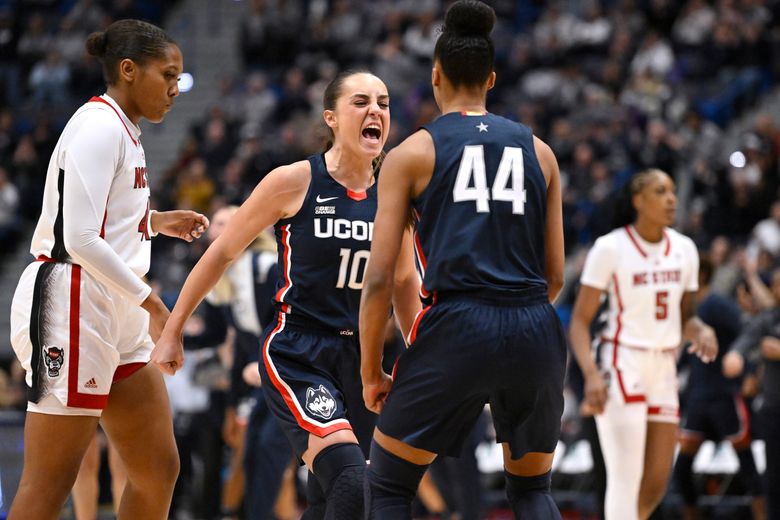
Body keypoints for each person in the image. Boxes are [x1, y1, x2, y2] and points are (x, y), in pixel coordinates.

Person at [152, 70, 421, 519]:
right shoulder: (294, 181)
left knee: (335, 498)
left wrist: (423, 356)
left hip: (366, 358)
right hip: (299, 349)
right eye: (361, 101)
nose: (376, 110)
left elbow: (404, 284)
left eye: (384, 102)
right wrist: (173, 329)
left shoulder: (397, 193)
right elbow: (220, 254)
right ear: (331, 118)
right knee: (354, 484)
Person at [359, 2, 567, 518]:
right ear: (491, 79)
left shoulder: (411, 154)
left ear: (435, 76)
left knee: (387, 487)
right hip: (535, 324)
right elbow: (556, 275)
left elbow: (381, 276)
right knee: (533, 492)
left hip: (457, 325)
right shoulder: (541, 153)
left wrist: (372, 372)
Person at [7, 19, 209, 520]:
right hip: (71, 301)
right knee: (48, 485)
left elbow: (103, 216)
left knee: (158, 469)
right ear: (127, 70)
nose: (173, 88)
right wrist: (155, 304)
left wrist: (153, 221)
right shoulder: (98, 126)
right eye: (166, 74)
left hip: (113, 307)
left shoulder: (127, 128)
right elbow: (78, 238)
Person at [569, 168, 718, 520]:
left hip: (664, 366)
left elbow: (686, 317)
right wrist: (591, 374)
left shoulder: (685, 249)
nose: (671, 199)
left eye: (672, 191)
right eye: (660, 191)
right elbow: (579, 321)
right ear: (638, 201)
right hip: (622, 363)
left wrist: (701, 330)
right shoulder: (610, 248)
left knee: (655, 483)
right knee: (624, 479)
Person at [673, 256, 764, 520]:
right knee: (682, 470)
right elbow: (687, 354)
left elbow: (747, 332)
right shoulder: (689, 309)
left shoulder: (717, 304)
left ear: (700, 275)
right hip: (698, 398)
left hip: (725, 394)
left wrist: (747, 371)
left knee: (745, 464)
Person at [723, 266, 780, 520]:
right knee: (773, 475)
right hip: (773, 408)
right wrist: (734, 356)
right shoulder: (768, 319)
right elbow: (746, 340)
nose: (778, 289)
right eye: (776, 284)